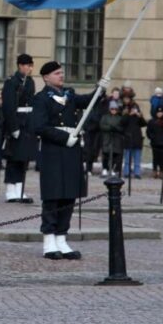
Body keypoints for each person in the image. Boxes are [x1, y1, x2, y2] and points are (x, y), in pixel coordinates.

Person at [32, 61, 106, 260]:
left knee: (69, 195)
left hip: (71, 153)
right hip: (53, 151)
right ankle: (49, 241)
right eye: (56, 73)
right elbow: (39, 127)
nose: (61, 76)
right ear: (46, 77)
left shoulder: (70, 95)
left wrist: (99, 89)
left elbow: (88, 101)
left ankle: (62, 238)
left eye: (61, 72)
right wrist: (64, 137)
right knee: (53, 196)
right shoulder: (41, 99)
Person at [0, 54, 35, 203]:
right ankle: (10, 189)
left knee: (23, 158)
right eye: (27, 65)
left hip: (27, 123)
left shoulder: (30, 82)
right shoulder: (11, 82)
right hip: (16, 122)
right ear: (20, 66)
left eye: (31, 65)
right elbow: (9, 106)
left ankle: (19, 188)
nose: (30, 68)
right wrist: (13, 127)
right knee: (13, 158)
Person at [120, 97, 146, 179]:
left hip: (137, 139)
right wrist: (128, 114)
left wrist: (140, 116)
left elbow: (144, 123)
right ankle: (126, 172)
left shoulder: (137, 117)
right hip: (128, 138)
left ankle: (137, 173)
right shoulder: (126, 115)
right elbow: (122, 122)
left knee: (137, 158)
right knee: (127, 158)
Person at [146, 107, 163, 179]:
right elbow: (148, 131)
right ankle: (154, 171)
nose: (159, 114)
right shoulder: (152, 121)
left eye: (161, 112)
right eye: (158, 112)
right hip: (155, 142)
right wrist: (152, 137)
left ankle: (162, 171)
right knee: (155, 158)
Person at [100, 101, 124, 177]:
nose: (113, 110)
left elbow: (122, 127)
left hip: (116, 138)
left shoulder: (119, 118)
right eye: (112, 109)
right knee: (106, 154)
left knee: (115, 154)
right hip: (107, 138)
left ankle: (113, 169)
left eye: (115, 109)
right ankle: (105, 168)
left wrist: (116, 128)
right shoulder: (105, 117)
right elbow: (102, 125)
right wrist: (109, 128)